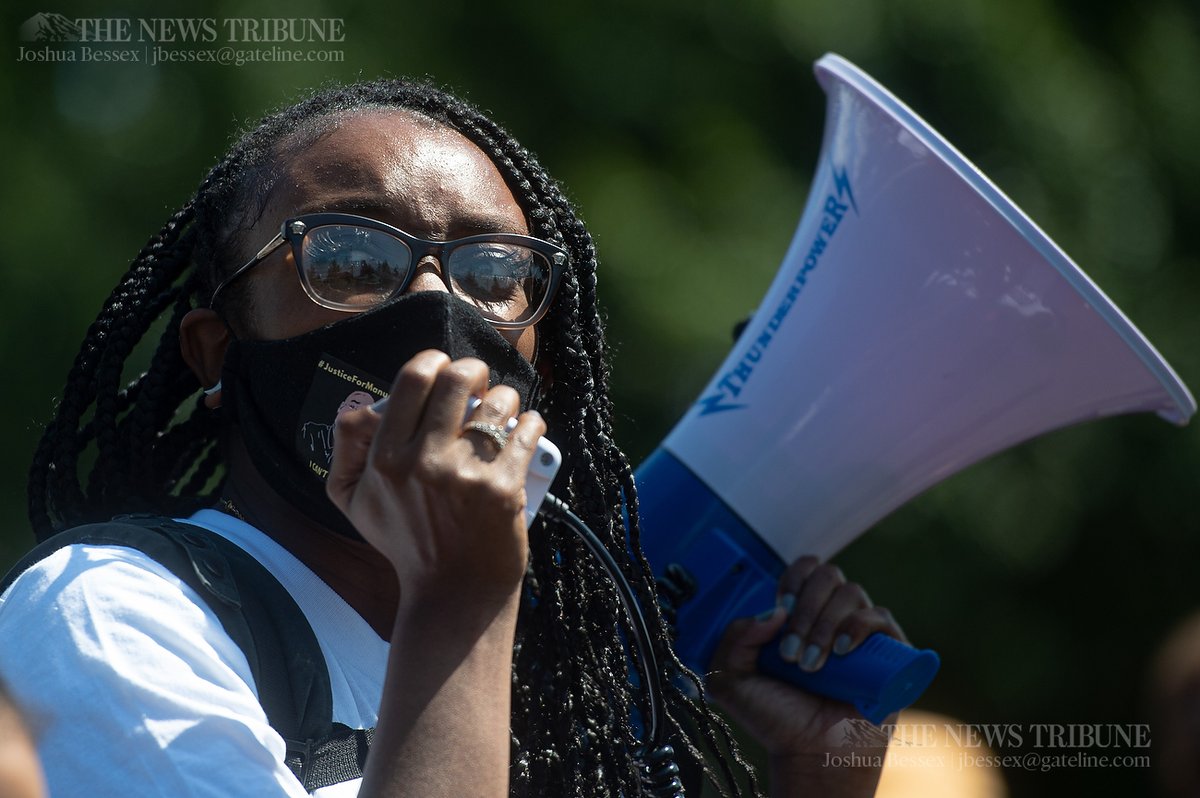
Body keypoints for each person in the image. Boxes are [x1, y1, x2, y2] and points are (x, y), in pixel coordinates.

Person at [0, 78, 904, 797]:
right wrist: (462, 599)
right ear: (216, 354)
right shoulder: (109, 614)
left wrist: (821, 777)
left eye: (494, 274)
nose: (437, 307)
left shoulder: (559, 692)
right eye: (352, 260)